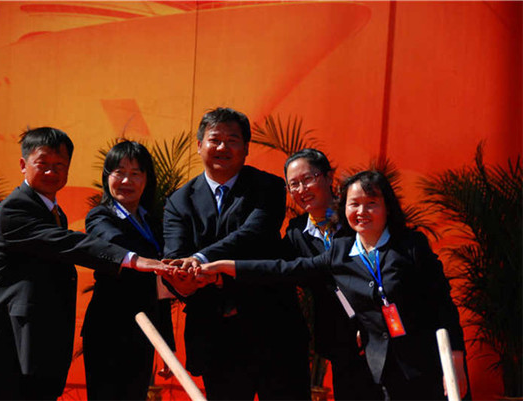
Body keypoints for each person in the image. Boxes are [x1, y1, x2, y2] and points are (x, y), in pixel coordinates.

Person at [193, 170, 468, 400]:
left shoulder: (411, 246)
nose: (362, 211)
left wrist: (455, 364)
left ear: (387, 207)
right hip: (374, 371)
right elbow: (283, 269)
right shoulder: (340, 251)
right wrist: (224, 267)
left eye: (371, 203)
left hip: (424, 367)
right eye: (353, 204)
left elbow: (443, 305)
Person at [0, 127, 166, 401]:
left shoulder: (54, 212)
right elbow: (67, 243)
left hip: (39, 349)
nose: (52, 172)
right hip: (7, 348)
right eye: (43, 164)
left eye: (60, 165)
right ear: (24, 164)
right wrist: (131, 258)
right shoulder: (15, 209)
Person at [162, 107, 310, 400]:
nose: (222, 147)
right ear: (199, 145)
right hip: (217, 340)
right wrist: (184, 277)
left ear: (246, 148)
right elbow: (176, 255)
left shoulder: (268, 187)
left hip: (274, 330)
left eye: (232, 140)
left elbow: (254, 236)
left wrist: (202, 261)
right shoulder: (178, 201)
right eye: (214, 140)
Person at [283, 149, 381, 399]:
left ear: (328, 177)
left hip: (381, 331)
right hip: (339, 340)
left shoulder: (357, 217)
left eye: (308, 179)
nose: (302, 189)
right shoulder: (296, 233)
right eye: (294, 184)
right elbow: (278, 271)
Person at [81, 141, 174, 400]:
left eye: (135, 173)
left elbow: (162, 286)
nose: (126, 181)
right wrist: (155, 261)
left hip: (145, 333)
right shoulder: (100, 217)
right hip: (108, 330)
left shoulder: (155, 224)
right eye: (119, 172)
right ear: (107, 176)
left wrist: (166, 342)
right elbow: (115, 243)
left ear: (147, 179)